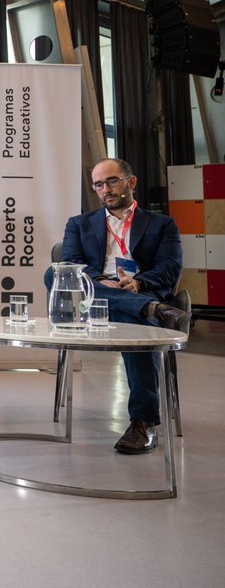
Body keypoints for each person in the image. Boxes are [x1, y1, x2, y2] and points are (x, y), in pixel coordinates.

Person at [50, 157, 190, 455]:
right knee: (54, 273)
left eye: (112, 181)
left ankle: (142, 422)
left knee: (136, 329)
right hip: (90, 302)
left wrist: (137, 283)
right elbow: (72, 265)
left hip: (137, 292)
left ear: (131, 182)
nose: (105, 189)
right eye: (98, 184)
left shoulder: (162, 224)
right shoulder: (79, 223)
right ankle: (150, 308)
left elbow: (169, 268)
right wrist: (101, 279)